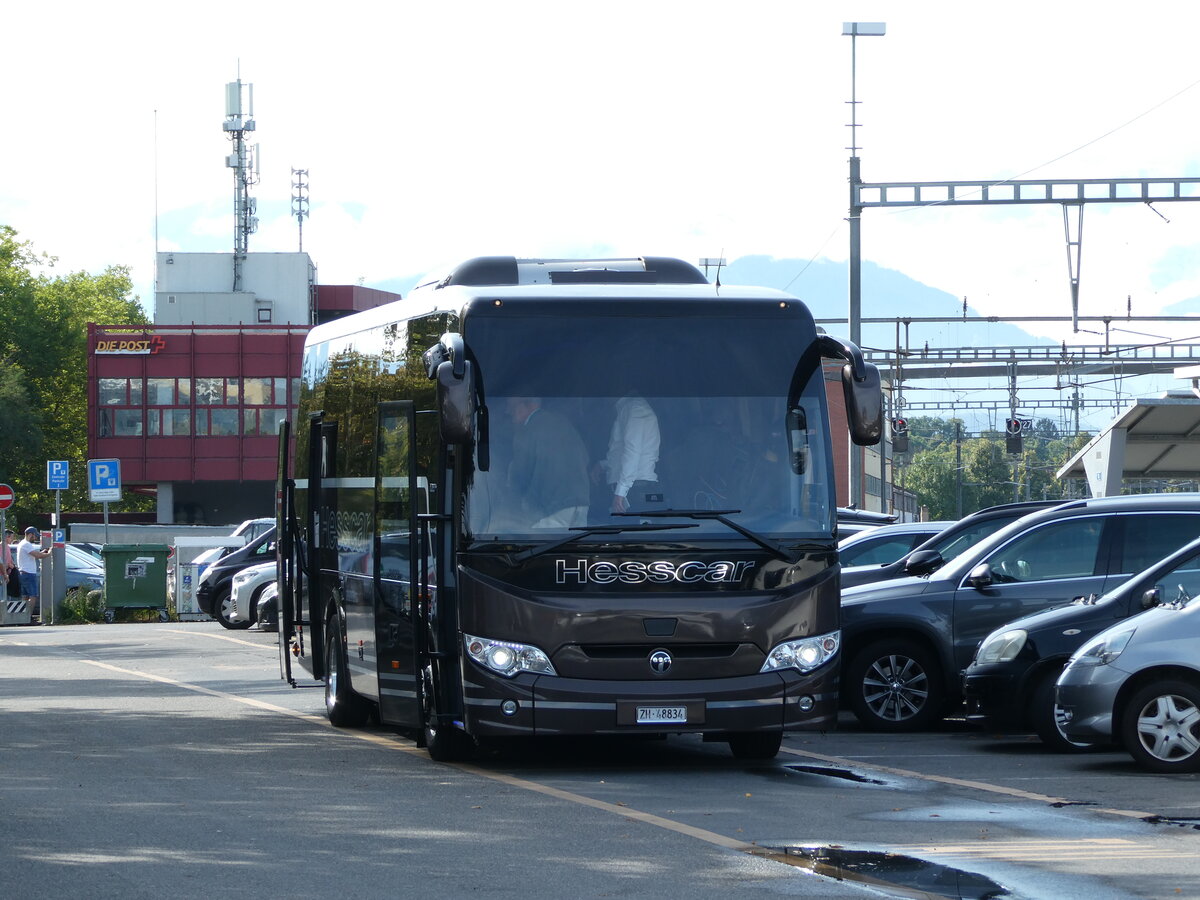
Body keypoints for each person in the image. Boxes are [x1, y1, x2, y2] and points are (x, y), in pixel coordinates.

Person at [505, 397, 591, 528]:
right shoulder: (563, 422)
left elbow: (520, 475)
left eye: (511, 409)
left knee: (534, 545)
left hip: (553, 508)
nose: (509, 414)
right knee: (577, 547)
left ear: (523, 407)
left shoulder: (526, 431)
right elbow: (585, 458)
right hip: (581, 504)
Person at [596, 394, 661, 514]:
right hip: (632, 489)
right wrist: (603, 465)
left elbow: (633, 451)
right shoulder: (628, 407)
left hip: (634, 491)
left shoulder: (634, 407)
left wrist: (620, 493)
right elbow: (628, 452)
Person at [16, 526, 50, 621]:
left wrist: (42, 552)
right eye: (35, 536)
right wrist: (48, 553)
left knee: (25, 597)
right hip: (29, 573)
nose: (35, 538)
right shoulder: (27, 544)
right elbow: (38, 556)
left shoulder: (21, 544)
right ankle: (29, 617)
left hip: (23, 573)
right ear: (30, 534)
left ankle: (23, 617)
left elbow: (31, 555)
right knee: (33, 596)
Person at [2, 529, 17, 598]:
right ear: (7, 537)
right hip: (2, 575)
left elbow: (10, 560)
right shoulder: (1, 547)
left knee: (7, 597)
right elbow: (1, 562)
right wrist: (5, 574)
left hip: (7, 575)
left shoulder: (7, 547)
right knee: (2, 597)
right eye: (12, 537)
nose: (12, 539)